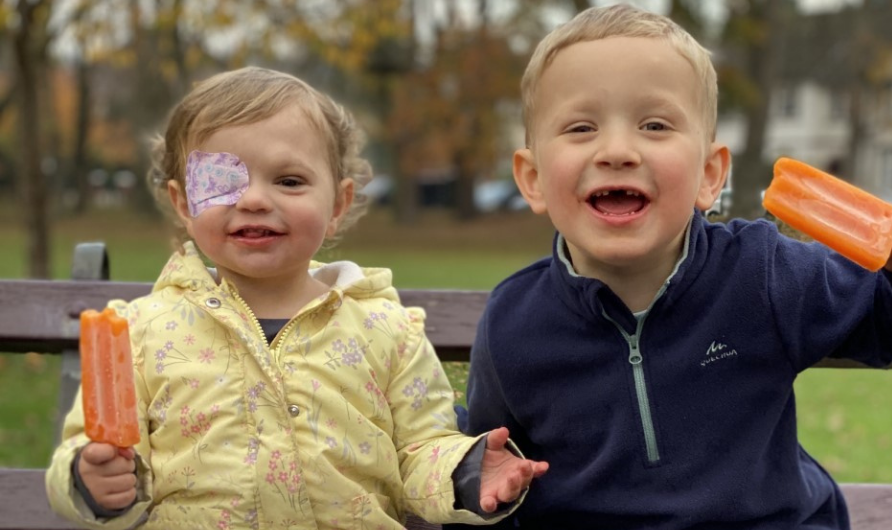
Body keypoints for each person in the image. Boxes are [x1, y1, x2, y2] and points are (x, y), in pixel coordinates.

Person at [450, 5, 892, 530]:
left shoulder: (762, 273)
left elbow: (890, 320)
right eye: (582, 127)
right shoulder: (514, 323)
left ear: (709, 175)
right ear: (533, 178)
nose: (618, 150)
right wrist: (469, 477)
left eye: (654, 124)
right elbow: (492, 471)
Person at [45, 66, 547, 530]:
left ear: (338, 204)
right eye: (222, 180)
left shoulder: (386, 329)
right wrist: (93, 481)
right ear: (182, 203)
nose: (255, 199)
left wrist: (467, 473)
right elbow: (91, 452)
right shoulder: (141, 333)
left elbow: (421, 448)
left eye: (289, 181)